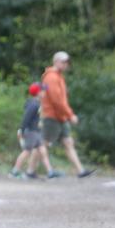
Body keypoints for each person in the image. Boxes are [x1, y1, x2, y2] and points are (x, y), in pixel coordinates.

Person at [39, 51, 95, 179]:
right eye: (63, 62)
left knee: (68, 142)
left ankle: (80, 171)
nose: (66, 65)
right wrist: (70, 115)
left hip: (60, 116)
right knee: (42, 144)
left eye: (67, 62)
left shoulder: (59, 76)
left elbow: (61, 100)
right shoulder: (51, 77)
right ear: (56, 61)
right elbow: (56, 100)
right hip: (52, 115)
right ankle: (30, 170)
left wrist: (66, 115)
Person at [10, 82, 54, 179]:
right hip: (31, 132)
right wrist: (22, 130)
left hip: (37, 131)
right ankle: (15, 171)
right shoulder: (33, 104)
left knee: (43, 151)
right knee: (27, 152)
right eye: (43, 91)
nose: (45, 93)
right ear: (38, 92)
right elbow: (26, 118)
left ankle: (50, 172)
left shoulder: (38, 104)